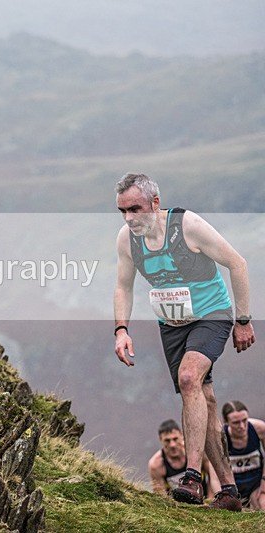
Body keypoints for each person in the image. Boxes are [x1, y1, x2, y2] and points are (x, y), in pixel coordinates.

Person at [113, 173, 255, 511]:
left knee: (189, 377)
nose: (130, 218)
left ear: (155, 203)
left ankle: (192, 477)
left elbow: (238, 263)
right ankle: (230, 493)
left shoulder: (187, 226)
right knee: (202, 399)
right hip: (172, 325)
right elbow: (124, 285)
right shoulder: (126, 239)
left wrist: (243, 320)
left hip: (211, 315)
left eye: (136, 209)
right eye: (122, 211)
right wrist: (121, 329)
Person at [148, 419, 219, 498]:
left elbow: (213, 476)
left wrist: (210, 500)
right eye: (167, 441)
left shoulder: (197, 451)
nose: (172, 445)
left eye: (175, 439)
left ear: (182, 435)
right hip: (177, 506)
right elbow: (160, 497)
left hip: (204, 499)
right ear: (161, 440)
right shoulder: (156, 464)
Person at [221, 401, 265, 510]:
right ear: (226, 422)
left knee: (262, 504)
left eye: (244, 420)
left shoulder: (259, 428)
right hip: (233, 487)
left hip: (256, 483)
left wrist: (264, 482)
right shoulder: (220, 437)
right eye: (236, 422)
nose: (242, 426)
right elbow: (214, 473)